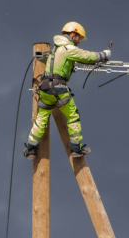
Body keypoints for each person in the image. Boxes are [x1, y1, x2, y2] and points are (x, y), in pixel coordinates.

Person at [23, 22, 111, 160]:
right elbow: (88, 56)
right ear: (73, 34)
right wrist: (104, 54)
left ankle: (30, 149)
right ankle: (76, 149)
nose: (79, 41)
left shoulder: (55, 49)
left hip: (45, 89)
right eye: (79, 38)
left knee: (41, 119)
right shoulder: (68, 48)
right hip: (58, 88)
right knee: (73, 116)